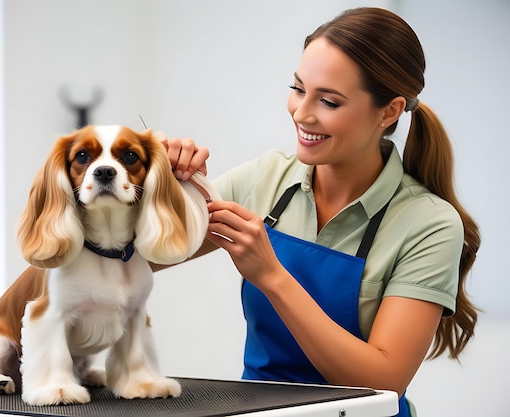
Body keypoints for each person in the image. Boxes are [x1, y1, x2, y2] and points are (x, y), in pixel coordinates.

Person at [156, 7, 480, 417]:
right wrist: (150, 183)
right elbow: (126, 259)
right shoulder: (266, 179)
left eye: (328, 100)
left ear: (390, 111)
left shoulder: (429, 224)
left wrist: (271, 275)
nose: (301, 113)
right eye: (297, 89)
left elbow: (384, 381)